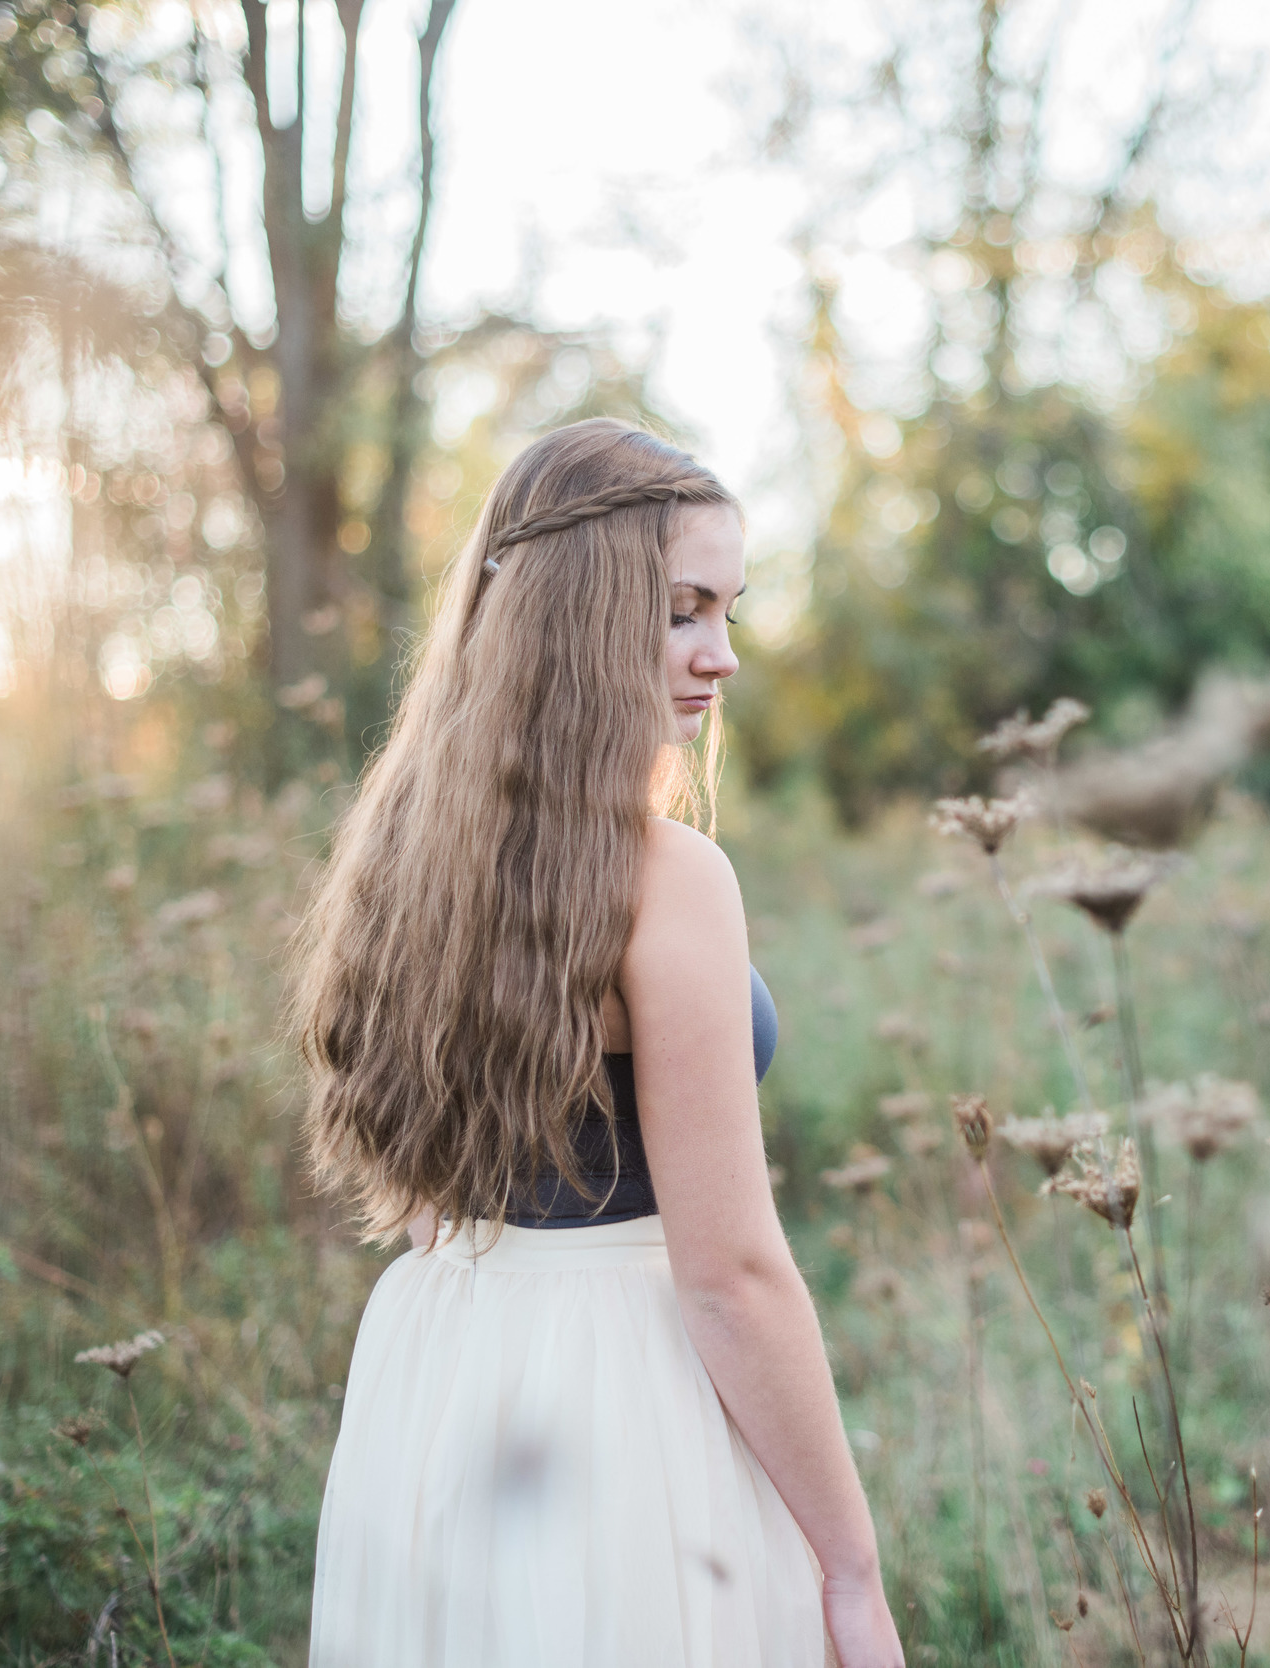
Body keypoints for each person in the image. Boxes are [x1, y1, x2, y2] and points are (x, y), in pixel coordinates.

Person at [291, 418, 904, 1667]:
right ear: (575, 611)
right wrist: (850, 1570)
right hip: (624, 1389)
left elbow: (423, 1189)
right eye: (684, 610)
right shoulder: (666, 876)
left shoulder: (408, 844)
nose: (721, 655)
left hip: (438, 1366)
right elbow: (729, 1274)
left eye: (729, 612)